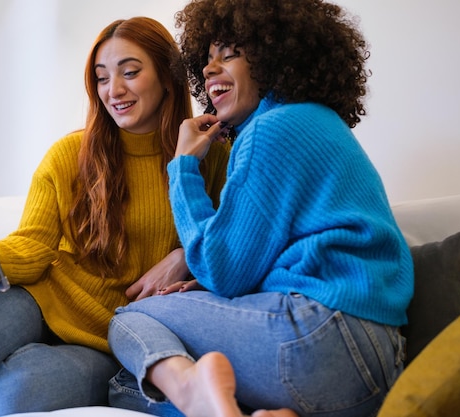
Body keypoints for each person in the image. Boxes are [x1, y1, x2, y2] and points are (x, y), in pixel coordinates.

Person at [0, 16, 229, 416]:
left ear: (166, 78)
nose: (114, 90)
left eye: (130, 72)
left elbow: (227, 250)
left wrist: (183, 258)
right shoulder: (69, 155)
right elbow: (33, 246)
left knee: (14, 396)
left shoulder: (210, 159)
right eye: (102, 77)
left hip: (108, 341)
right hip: (42, 300)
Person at [107, 1, 414, 417]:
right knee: (126, 386)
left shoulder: (272, 129)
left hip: (324, 337)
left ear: (274, 60)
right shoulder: (313, 121)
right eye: (208, 59)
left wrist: (182, 168)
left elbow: (223, 270)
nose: (211, 69)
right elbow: (266, 260)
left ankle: (209, 403)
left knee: (130, 319)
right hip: (376, 359)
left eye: (229, 54)